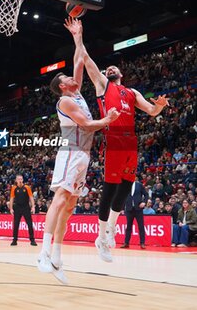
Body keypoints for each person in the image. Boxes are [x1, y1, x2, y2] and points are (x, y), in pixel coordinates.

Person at [65, 17, 169, 262]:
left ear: (121, 73)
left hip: (130, 142)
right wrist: (77, 36)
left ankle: (110, 230)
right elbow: (86, 59)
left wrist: (161, 106)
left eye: (114, 69)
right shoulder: (102, 85)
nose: (110, 69)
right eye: (107, 68)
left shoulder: (132, 93)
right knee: (110, 189)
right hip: (112, 140)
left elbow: (152, 112)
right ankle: (101, 237)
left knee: (125, 189)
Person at [37, 38, 120, 283]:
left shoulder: (78, 95)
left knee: (71, 206)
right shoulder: (65, 101)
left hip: (83, 156)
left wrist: (77, 37)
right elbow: (85, 124)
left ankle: (57, 257)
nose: (73, 79)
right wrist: (107, 121)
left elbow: (79, 61)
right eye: (67, 79)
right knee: (60, 199)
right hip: (70, 152)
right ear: (62, 86)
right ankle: (43, 252)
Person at [9, 174, 37, 246]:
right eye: (18, 179)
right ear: (16, 180)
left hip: (26, 208)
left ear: (23, 180)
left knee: (30, 224)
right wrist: (11, 208)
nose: (20, 180)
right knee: (16, 224)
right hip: (17, 208)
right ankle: (14, 240)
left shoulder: (27, 187)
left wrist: (33, 207)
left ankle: (32, 240)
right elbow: (12, 199)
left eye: (21, 179)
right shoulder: (14, 188)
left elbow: (31, 197)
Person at [120, 179, 148, 249]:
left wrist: (144, 202)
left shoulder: (139, 185)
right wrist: (122, 208)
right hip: (129, 209)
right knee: (128, 227)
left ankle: (142, 243)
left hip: (138, 208)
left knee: (141, 226)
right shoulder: (126, 186)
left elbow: (146, 194)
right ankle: (126, 243)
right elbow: (122, 197)